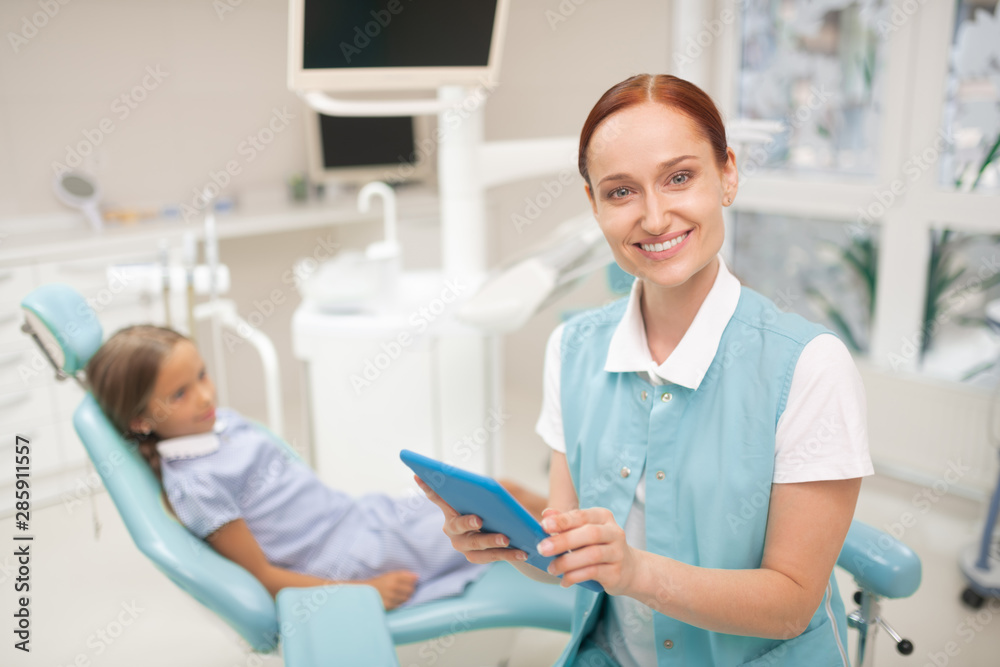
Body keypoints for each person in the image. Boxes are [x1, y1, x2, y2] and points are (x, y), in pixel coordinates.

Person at [416, 74, 873, 665]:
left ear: (727, 174)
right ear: (595, 205)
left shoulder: (809, 366)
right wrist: (511, 541)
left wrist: (634, 571)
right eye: (621, 192)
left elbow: (790, 604)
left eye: (679, 178)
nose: (655, 218)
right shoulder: (572, 350)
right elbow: (574, 567)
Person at [85, 324, 546, 610]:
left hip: (360, 517)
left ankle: (581, 532)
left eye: (201, 376)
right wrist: (360, 592)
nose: (205, 396)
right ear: (142, 420)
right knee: (504, 502)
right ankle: (586, 547)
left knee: (498, 495)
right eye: (179, 394)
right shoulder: (197, 484)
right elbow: (263, 578)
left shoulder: (218, 426)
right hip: (348, 558)